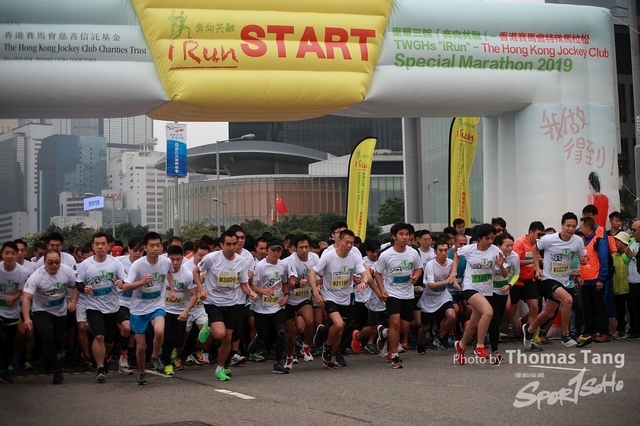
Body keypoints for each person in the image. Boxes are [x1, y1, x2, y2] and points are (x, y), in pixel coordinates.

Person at [193, 231, 257, 381]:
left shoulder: (242, 261)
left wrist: (251, 293)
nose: (231, 247)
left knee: (228, 338)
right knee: (219, 334)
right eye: (228, 244)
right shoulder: (211, 258)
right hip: (213, 302)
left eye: (234, 244)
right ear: (221, 245)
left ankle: (219, 368)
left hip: (232, 303)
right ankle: (209, 326)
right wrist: (201, 289)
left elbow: (243, 284)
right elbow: (196, 271)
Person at [523, 212, 587, 349]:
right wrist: (537, 268)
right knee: (568, 300)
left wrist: (583, 260)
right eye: (568, 225)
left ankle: (529, 329)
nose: (571, 229)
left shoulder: (577, 241)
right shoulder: (549, 239)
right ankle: (565, 334)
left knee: (549, 313)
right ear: (562, 225)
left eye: (573, 226)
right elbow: (535, 248)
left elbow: (584, 257)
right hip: (549, 279)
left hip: (564, 280)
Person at [309, 229, 371, 369]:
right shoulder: (329, 256)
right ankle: (327, 346)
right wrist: (316, 293)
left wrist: (363, 281)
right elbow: (312, 273)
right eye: (346, 242)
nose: (349, 246)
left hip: (345, 298)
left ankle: (328, 345)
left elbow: (365, 273)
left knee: (340, 329)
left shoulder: (354, 257)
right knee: (338, 324)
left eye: (352, 243)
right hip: (329, 296)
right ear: (339, 241)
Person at [72, 232, 126, 382]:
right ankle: (100, 367)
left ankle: (105, 355)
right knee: (99, 336)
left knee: (109, 341)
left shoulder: (115, 263)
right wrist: (84, 288)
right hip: (93, 306)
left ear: (108, 246)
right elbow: (78, 283)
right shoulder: (85, 264)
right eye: (97, 244)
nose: (100, 247)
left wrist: (121, 283)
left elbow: (124, 280)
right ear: (93, 246)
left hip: (112, 307)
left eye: (103, 244)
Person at [122, 232, 175, 385]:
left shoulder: (166, 262)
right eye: (152, 246)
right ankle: (142, 372)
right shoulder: (138, 265)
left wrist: (172, 290)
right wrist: (142, 282)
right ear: (145, 248)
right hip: (138, 309)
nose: (155, 249)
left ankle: (154, 356)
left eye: (158, 245)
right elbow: (125, 287)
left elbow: (170, 273)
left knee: (159, 331)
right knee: (140, 347)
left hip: (157, 305)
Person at [452, 224, 506, 364]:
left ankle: (461, 345)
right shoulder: (470, 249)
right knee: (488, 312)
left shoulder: (495, 251)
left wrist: (501, 265)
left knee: (473, 323)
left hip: (486, 291)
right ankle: (480, 346)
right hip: (470, 288)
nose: (490, 241)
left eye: (492, 238)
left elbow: (505, 275)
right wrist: (454, 271)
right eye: (487, 238)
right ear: (480, 238)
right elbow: (456, 253)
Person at [371, 223, 422, 369]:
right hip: (392, 294)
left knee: (404, 326)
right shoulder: (386, 255)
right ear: (394, 237)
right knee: (395, 323)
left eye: (407, 234)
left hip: (408, 294)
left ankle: (384, 332)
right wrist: (382, 290)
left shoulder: (413, 253)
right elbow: (378, 273)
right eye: (401, 234)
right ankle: (394, 355)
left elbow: (419, 268)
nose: (405, 237)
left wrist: (415, 277)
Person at [21, 250, 77, 384]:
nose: (54, 265)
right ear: (44, 262)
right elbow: (26, 297)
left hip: (60, 312)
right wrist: (27, 318)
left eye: (57, 262)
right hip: (41, 311)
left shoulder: (67, 271)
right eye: (50, 263)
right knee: (47, 335)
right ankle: (57, 371)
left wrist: (73, 302)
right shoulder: (37, 276)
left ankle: (48, 360)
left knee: (57, 341)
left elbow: (77, 286)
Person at [249, 238, 290, 373]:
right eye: (273, 250)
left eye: (278, 251)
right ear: (267, 251)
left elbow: (284, 282)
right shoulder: (260, 266)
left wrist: (286, 295)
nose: (276, 253)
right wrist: (263, 290)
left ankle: (278, 363)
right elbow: (251, 285)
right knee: (264, 337)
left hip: (278, 305)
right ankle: (257, 342)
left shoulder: (283, 265)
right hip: (261, 307)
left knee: (281, 333)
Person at [161, 246, 198, 375]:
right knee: (166, 338)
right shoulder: (162, 271)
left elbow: (194, 295)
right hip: (164, 310)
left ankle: (169, 352)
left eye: (178, 259)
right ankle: (167, 364)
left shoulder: (187, 274)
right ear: (168, 258)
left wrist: (186, 311)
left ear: (183, 259)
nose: (175, 263)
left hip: (180, 312)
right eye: (172, 259)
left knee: (178, 340)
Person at [416, 239, 458, 354]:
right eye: (440, 250)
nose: (443, 253)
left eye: (445, 250)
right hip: (430, 298)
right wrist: (445, 282)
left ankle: (440, 337)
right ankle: (419, 343)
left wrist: (455, 282)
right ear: (435, 252)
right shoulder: (430, 265)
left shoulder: (450, 262)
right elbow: (430, 285)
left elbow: (452, 275)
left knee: (452, 315)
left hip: (443, 296)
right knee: (425, 327)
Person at [285, 234, 319, 365]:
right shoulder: (291, 260)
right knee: (291, 332)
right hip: (289, 299)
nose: (304, 250)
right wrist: (299, 284)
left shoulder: (315, 258)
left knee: (310, 321)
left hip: (304, 298)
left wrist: (313, 283)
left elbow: (321, 277)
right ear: (294, 248)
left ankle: (305, 345)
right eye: (301, 247)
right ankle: (290, 355)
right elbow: (291, 282)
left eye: (306, 247)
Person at [508, 222, 545, 337]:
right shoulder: (519, 243)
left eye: (542, 235)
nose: (540, 238)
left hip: (530, 280)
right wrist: (533, 261)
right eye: (538, 234)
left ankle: (528, 333)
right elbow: (514, 262)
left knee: (535, 308)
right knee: (511, 311)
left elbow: (536, 263)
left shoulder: (538, 245)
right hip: (516, 281)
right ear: (531, 232)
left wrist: (539, 265)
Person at [577, 216, 610, 343]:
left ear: (587, 227)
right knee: (587, 308)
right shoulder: (582, 242)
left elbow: (603, 260)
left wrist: (601, 279)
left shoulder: (598, 241)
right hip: (584, 281)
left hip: (596, 280)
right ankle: (588, 331)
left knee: (599, 307)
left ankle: (604, 332)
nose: (580, 229)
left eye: (581, 227)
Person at [0, 242, 30, 383]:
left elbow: (20, 291)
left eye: (13, 253)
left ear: (17, 255)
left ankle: (4, 369)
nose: (10, 256)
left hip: (12, 311)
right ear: (2, 255)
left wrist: (14, 298)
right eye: (7, 253)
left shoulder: (22, 272)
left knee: (10, 343)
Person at [115, 236, 144, 374]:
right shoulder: (118, 262)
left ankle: (128, 355)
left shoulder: (147, 264)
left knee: (134, 334)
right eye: (135, 250)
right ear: (129, 249)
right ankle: (123, 356)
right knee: (126, 328)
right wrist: (117, 282)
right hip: (121, 301)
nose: (138, 253)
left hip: (138, 303)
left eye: (140, 251)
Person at [488, 234, 519, 362]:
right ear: (498, 246)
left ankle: (482, 335)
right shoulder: (490, 256)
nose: (510, 248)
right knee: (494, 318)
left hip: (503, 292)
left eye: (512, 245)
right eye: (507, 245)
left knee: (497, 319)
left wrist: (510, 285)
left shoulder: (514, 257)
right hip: (490, 292)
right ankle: (494, 350)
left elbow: (516, 274)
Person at [622, 220, 640, 340]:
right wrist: (628, 254)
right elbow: (625, 260)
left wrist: (633, 256)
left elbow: (634, 258)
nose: (632, 232)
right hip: (632, 280)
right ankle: (636, 330)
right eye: (631, 229)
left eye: (634, 230)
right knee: (634, 308)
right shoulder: (632, 242)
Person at [612, 232, 631, 339]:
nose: (616, 242)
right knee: (619, 311)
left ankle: (633, 330)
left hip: (630, 287)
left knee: (632, 310)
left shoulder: (630, 255)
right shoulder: (613, 256)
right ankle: (621, 330)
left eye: (618, 241)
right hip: (617, 288)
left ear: (624, 242)